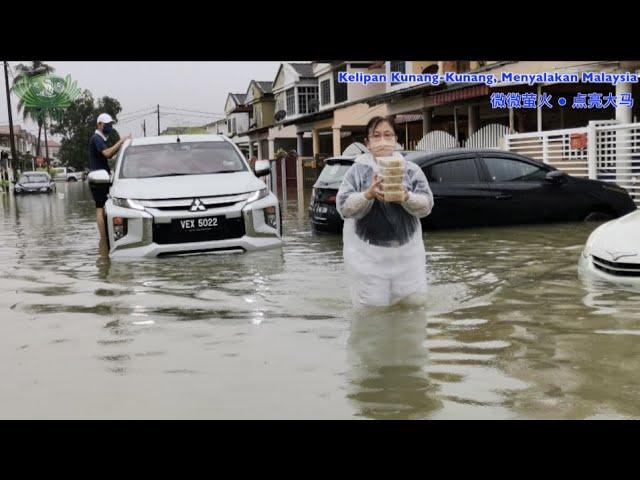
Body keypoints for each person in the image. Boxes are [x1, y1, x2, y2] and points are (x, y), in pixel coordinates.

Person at [336, 116, 434, 307]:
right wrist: (367, 194)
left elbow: (427, 205)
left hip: (407, 257)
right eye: (376, 136)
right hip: (368, 259)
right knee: (373, 311)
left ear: (396, 139)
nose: (382, 141)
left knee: (413, 307)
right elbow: (344, 207)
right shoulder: (356, 172)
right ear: (367, 143)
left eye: (388, 135)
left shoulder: (411, 170)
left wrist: (407, 198)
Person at [88, 113, 131, 238]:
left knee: (104, 207)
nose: (110, 127)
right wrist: (121, 141)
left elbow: (109, 154)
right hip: (98, 178)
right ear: (100, 125)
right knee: (100, 208)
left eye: (111, 124)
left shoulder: (101, 139)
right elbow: (107, 153)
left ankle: (106, 236)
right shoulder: (96, 138)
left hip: (103, 177)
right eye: (108, 124)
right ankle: (103, 239)